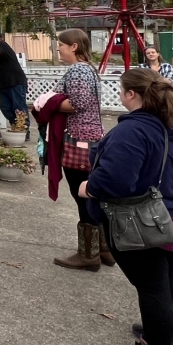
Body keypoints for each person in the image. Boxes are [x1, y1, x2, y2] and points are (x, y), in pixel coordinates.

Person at [79, 68, 173, 345]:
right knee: (167, 280)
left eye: (121, 90)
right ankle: (167, 336)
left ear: (132, 94)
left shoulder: (135, 130)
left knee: (153, 287)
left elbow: (118, 180)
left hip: (148, 218)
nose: (119, 95)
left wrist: (88, 188)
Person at [50, 28, 108, 271]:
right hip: (92, 137)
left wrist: (48, 101)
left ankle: (88, 254)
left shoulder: (77, 70)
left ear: (73, 46)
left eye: (61, 45)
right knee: (92, 193)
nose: (58, 49)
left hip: (78, 139)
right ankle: (104, 248)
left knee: (82, 194)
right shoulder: (89, 70)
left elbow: (78, 104)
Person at [0, 30, 28, 126]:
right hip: (5, 83)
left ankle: (23, 129)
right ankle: (16, 125)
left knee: (19, 107)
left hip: (15, 81)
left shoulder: (0, 44)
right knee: (4, 106)